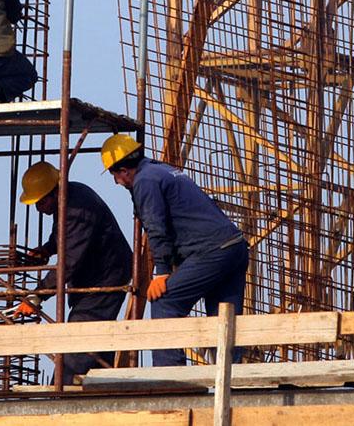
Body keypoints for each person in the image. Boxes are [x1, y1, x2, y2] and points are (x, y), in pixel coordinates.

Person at [100, 134, 248, 367]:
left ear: (124, 170)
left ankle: (171, 378)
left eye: (114, 174)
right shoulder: (160, 170)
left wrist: (161, 272)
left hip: (211, 250)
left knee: (164, 300)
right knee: (223, 318)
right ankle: (233, 380)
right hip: (234, 247)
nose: (116, 182)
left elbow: (157, 229)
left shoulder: (145, 182)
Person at [13, 161, 132, 384]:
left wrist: (36, 296)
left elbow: (69, 262)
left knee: (77, 342)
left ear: (52, 192)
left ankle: (61, 396)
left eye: (40, 202)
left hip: (105, 278)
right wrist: (48, 249)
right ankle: (100, 390)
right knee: (97, 342)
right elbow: (63, 236)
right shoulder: (69, 198)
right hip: (98, 275)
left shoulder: (76, 208)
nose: (38, 209)